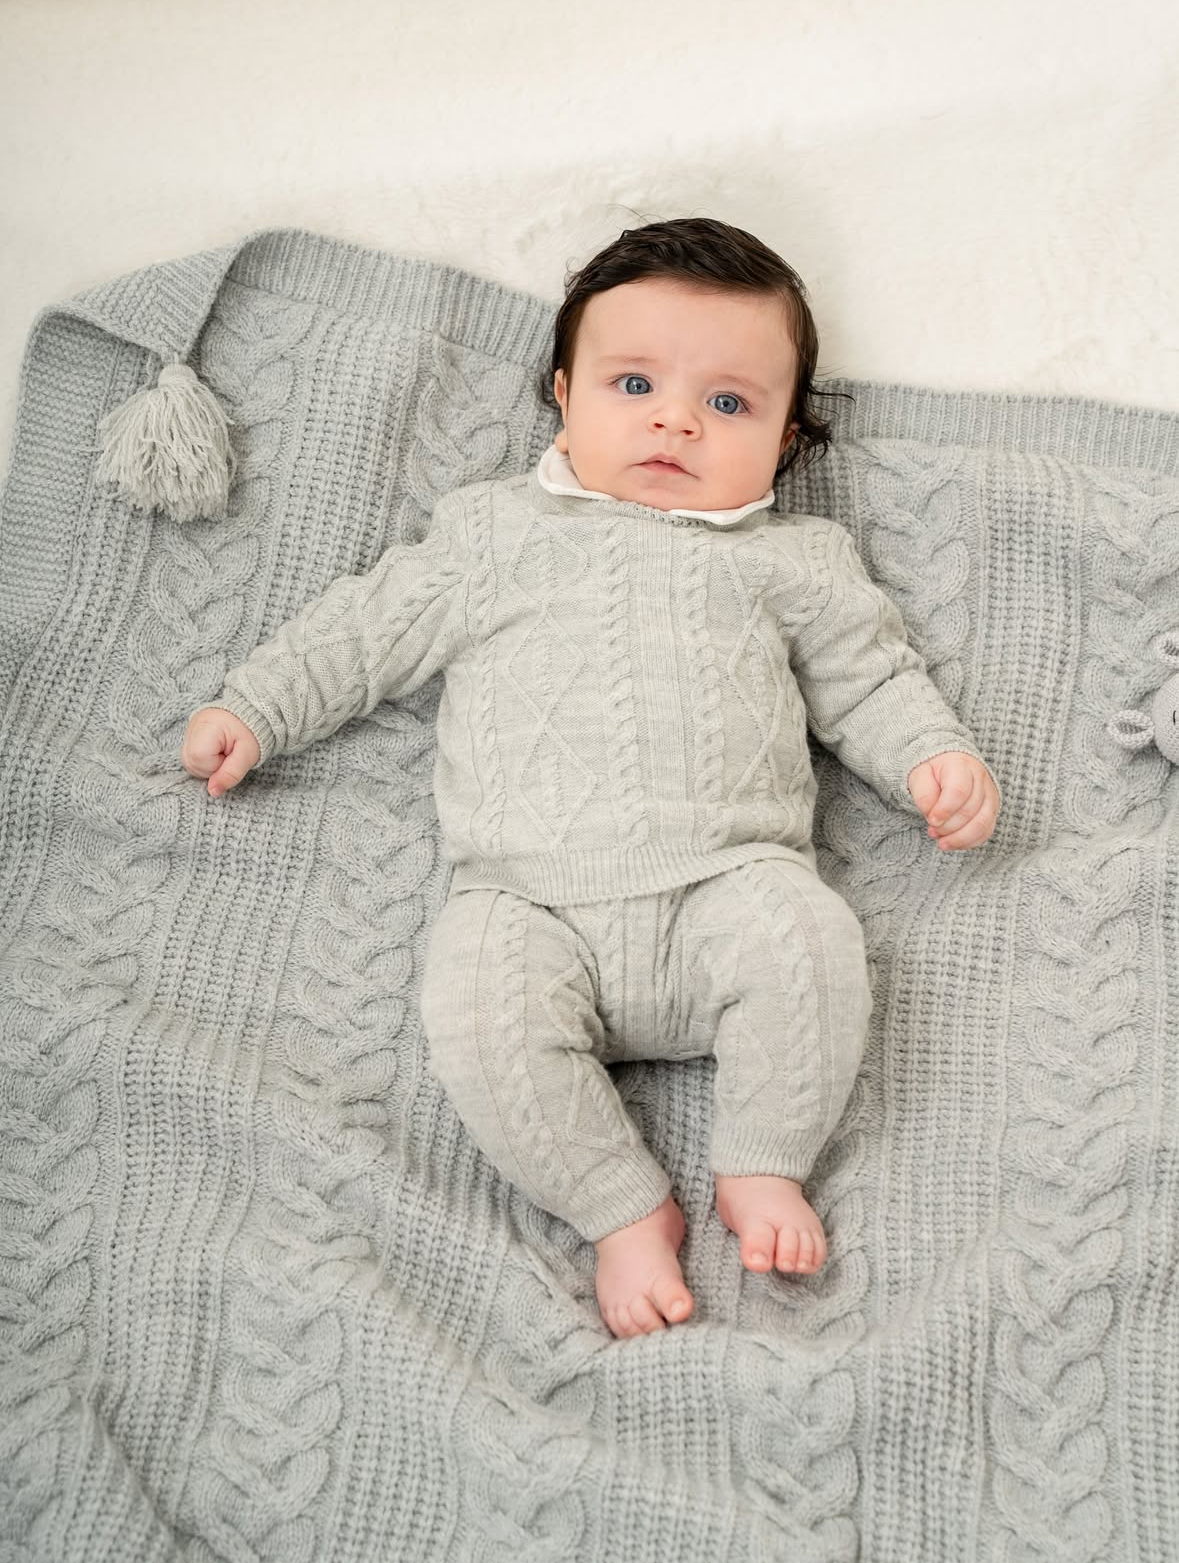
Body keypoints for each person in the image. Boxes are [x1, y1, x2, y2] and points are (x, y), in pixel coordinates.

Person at [180, 217, 1001, 1340]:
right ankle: (622, 1212)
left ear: (788, 439)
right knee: (476, 1016)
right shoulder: (493, 536)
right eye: (633, 382)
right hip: (529, 900)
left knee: (813, 948)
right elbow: (370, 628)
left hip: (730, 880)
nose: (674, 419)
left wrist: (933, 759)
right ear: (563, 394)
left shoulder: (792, 563)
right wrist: (258, 705)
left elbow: (871, 675)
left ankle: (763, 1163)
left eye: (728, 403)